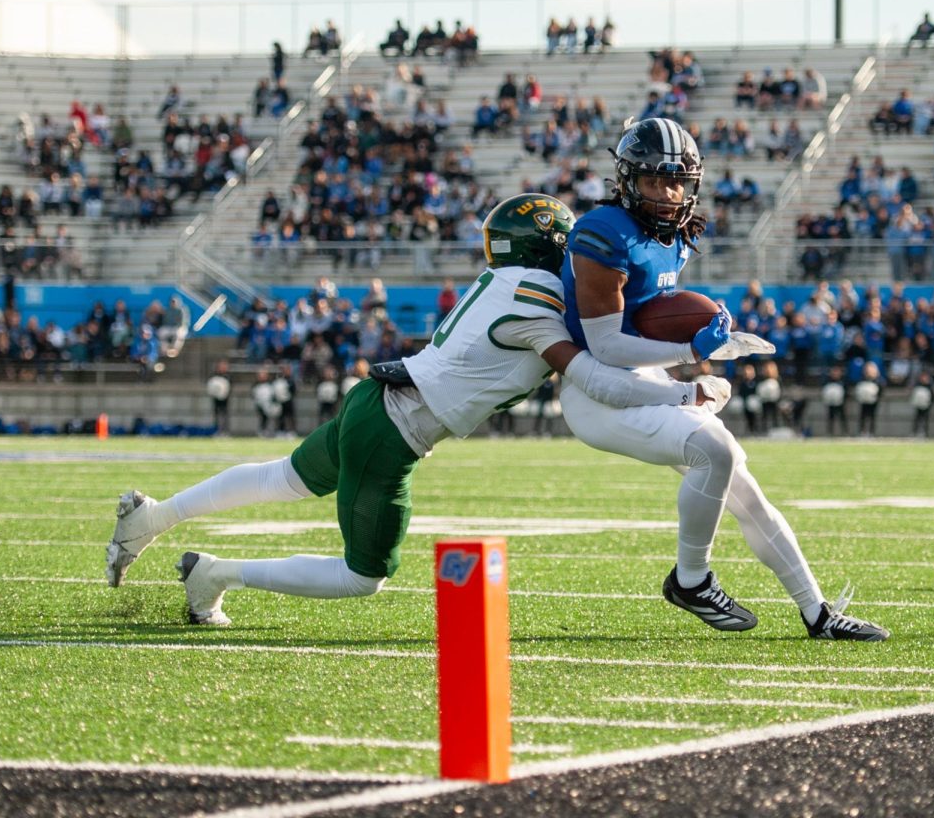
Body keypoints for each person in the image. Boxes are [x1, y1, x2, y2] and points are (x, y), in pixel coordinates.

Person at [104, 194, 715, 624]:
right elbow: (593, 375)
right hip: (393, 432)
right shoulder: (542, 304)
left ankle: (150, 520)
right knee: (361, 577)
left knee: (281, 478)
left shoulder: (503, 282)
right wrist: (682, 389)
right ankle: (214, 574)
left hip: (375, 399)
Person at [558, 116, 888, 641]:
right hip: (594, 386)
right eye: (654, 180)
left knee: (744, 489)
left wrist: (715, 344)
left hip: (638, 370)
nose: (668, 193)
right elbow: (605, 344)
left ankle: (817, 612)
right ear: (627, 181)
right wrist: (689, 352)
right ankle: (691, 579)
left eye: (677, 181)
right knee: (717, 450)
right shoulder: (603, 232)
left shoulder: (676, 235)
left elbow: (648, 317)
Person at [206, 359, 231, 435]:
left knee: (224, 414)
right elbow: (211, 386)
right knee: (216, 415)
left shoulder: (227, 376)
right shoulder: (214, 376)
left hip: (225, 399)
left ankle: (225, 431)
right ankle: (217, 430)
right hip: (216, 399)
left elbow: (229, 387)